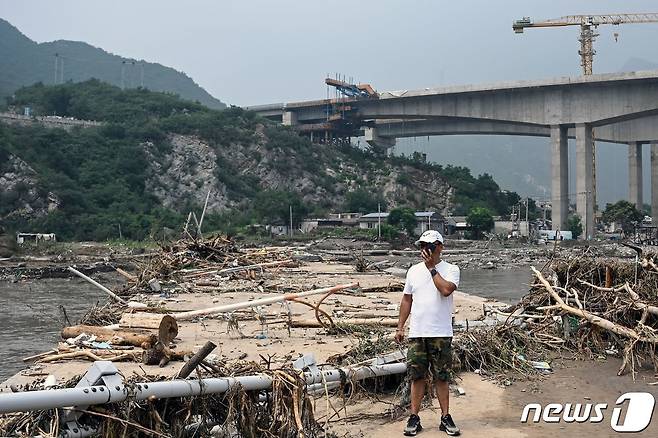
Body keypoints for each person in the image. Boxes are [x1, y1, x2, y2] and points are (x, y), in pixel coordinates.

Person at [395, 229, 460, 436]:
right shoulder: (413, 271)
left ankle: (445, 417)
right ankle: (414, 417)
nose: (425, 250)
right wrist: (400, 327)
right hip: (417, 332)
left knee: (442, 377)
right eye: (422, 246)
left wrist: (432, 268)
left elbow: (446, 290)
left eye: (429, 246)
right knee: (417, 376)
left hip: (440, 332)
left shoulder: (451, 269)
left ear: (440, 247)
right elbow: (407, 299)